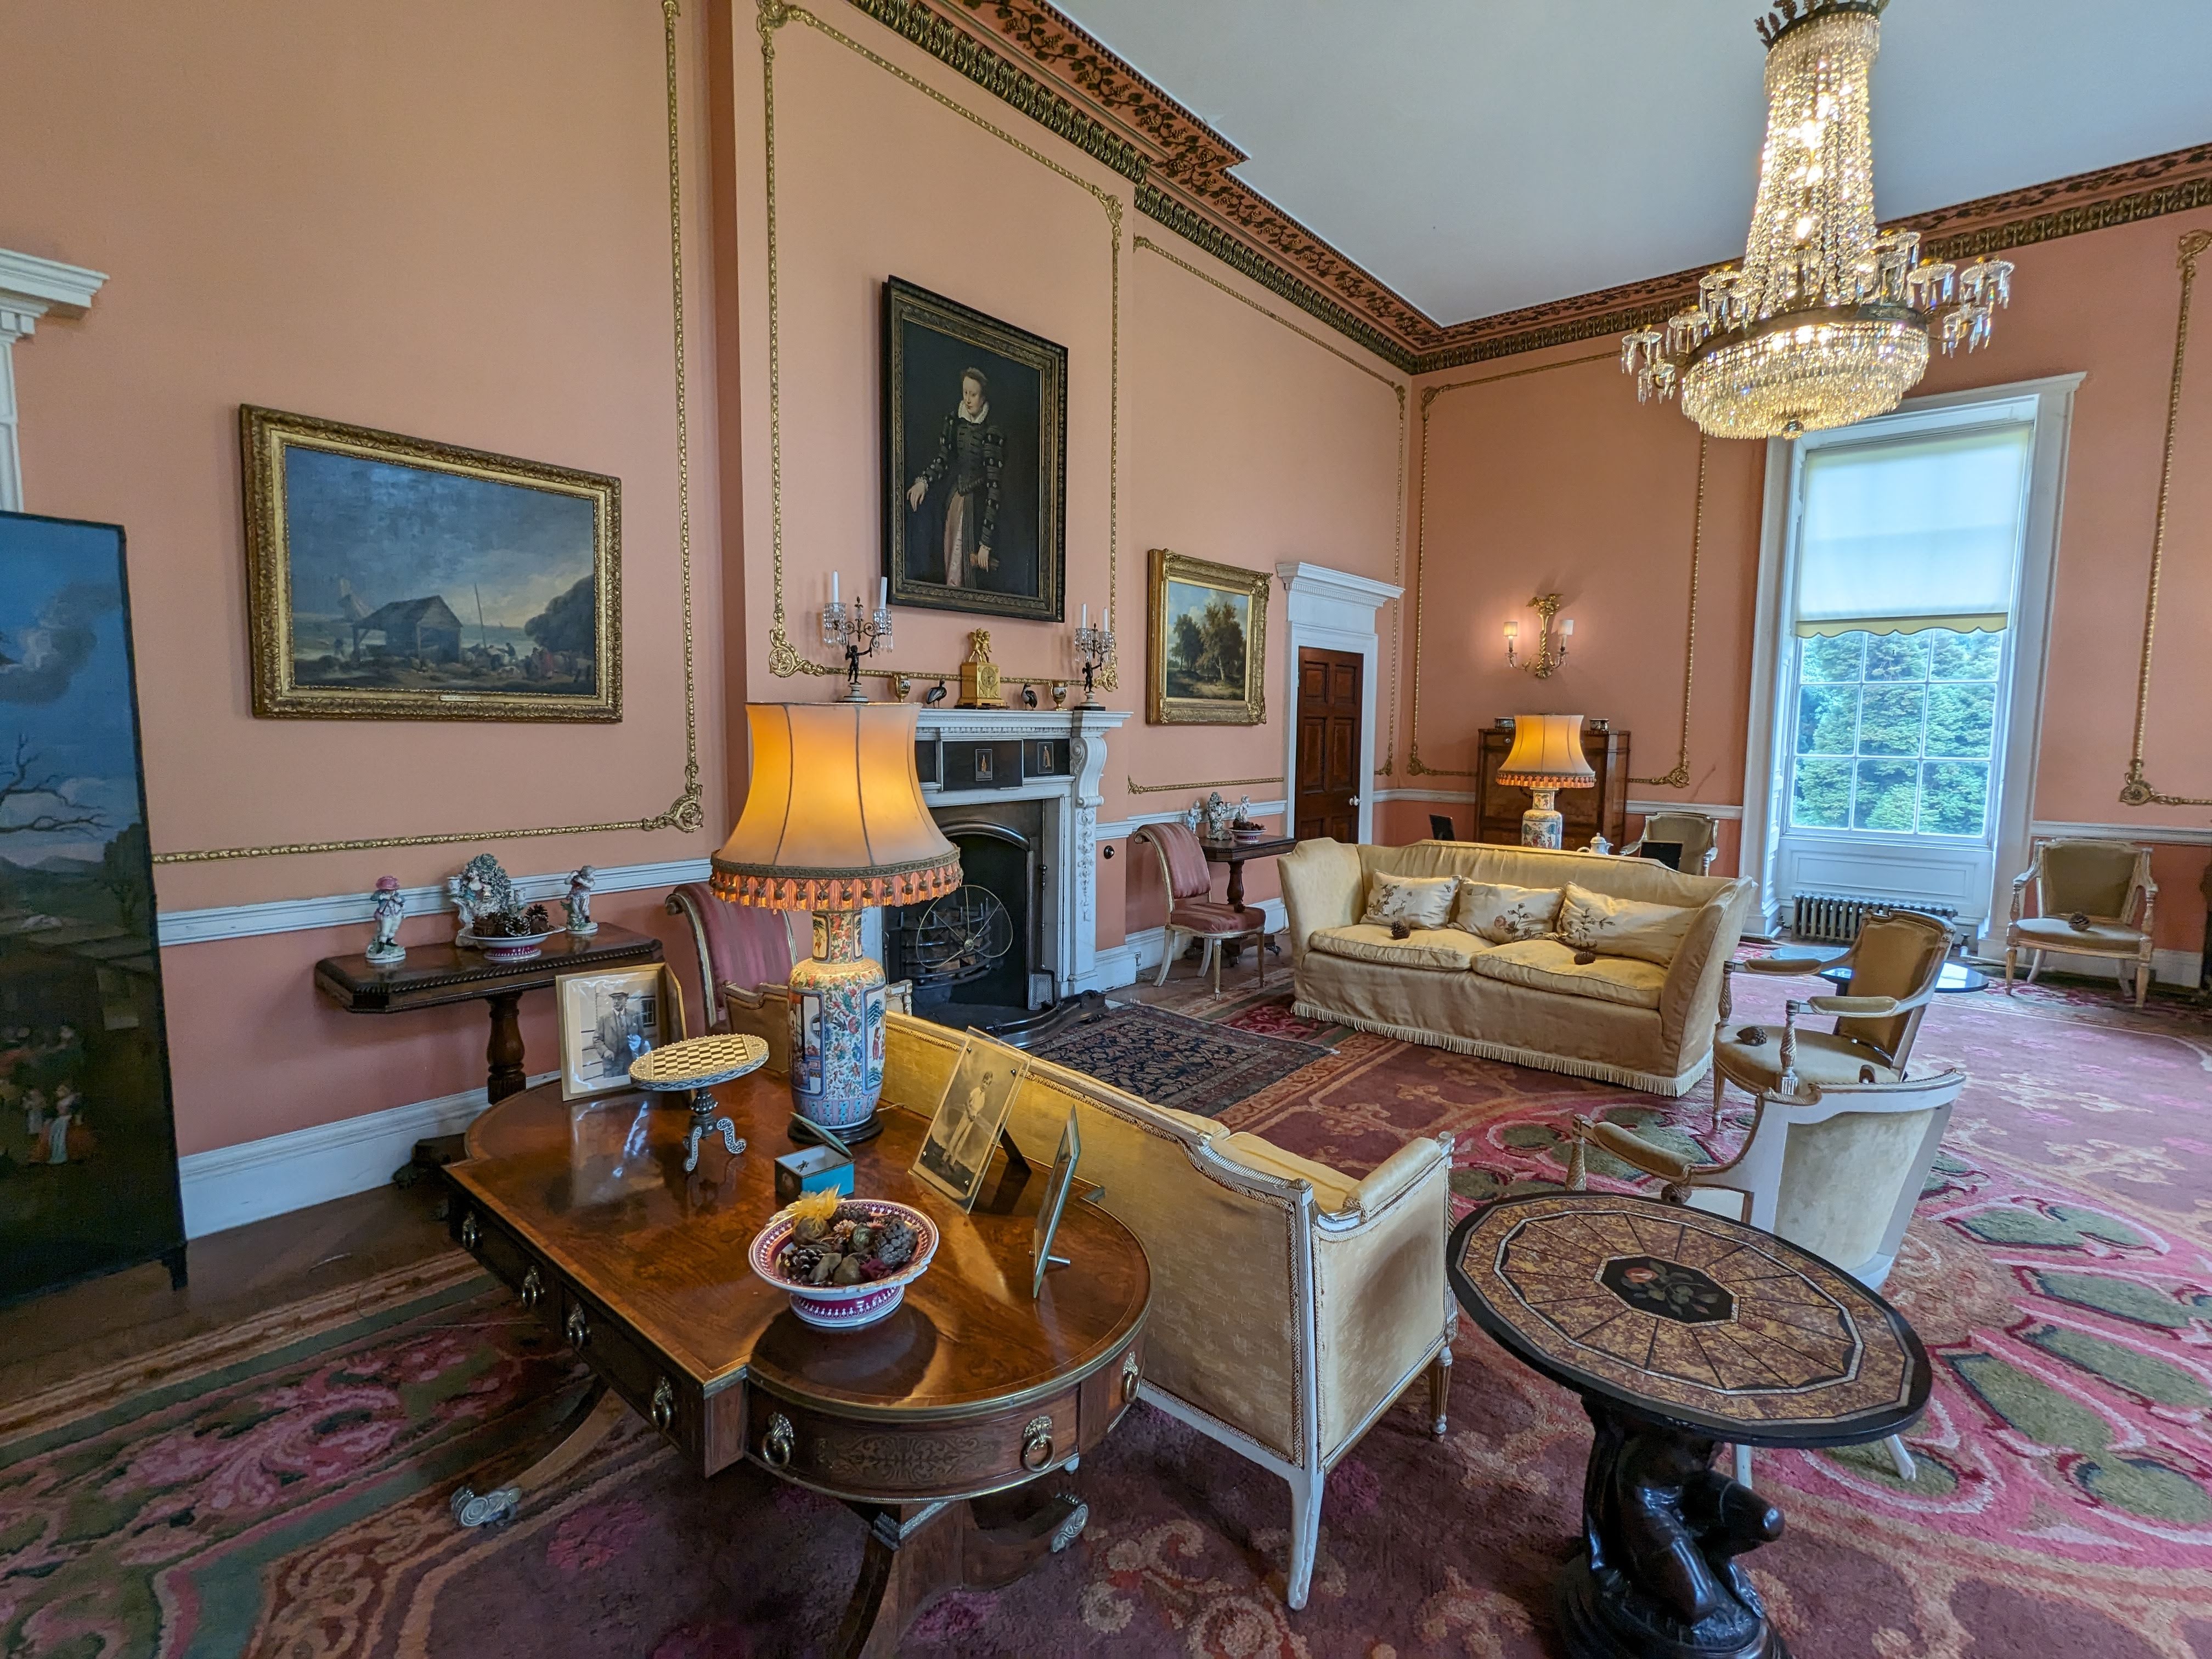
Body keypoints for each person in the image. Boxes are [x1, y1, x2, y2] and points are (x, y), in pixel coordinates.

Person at [906, 368, 1003, 589]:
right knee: (950, 559)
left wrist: (985, 544)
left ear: (983, 397)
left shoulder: (992, 431)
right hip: (955, 502)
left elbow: (994, 487)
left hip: (978, 509)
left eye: (973, 394)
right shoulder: (954, 422)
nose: (968, 399)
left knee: (969, 571)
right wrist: (924, 482)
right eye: (965, 393)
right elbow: (944, 459)